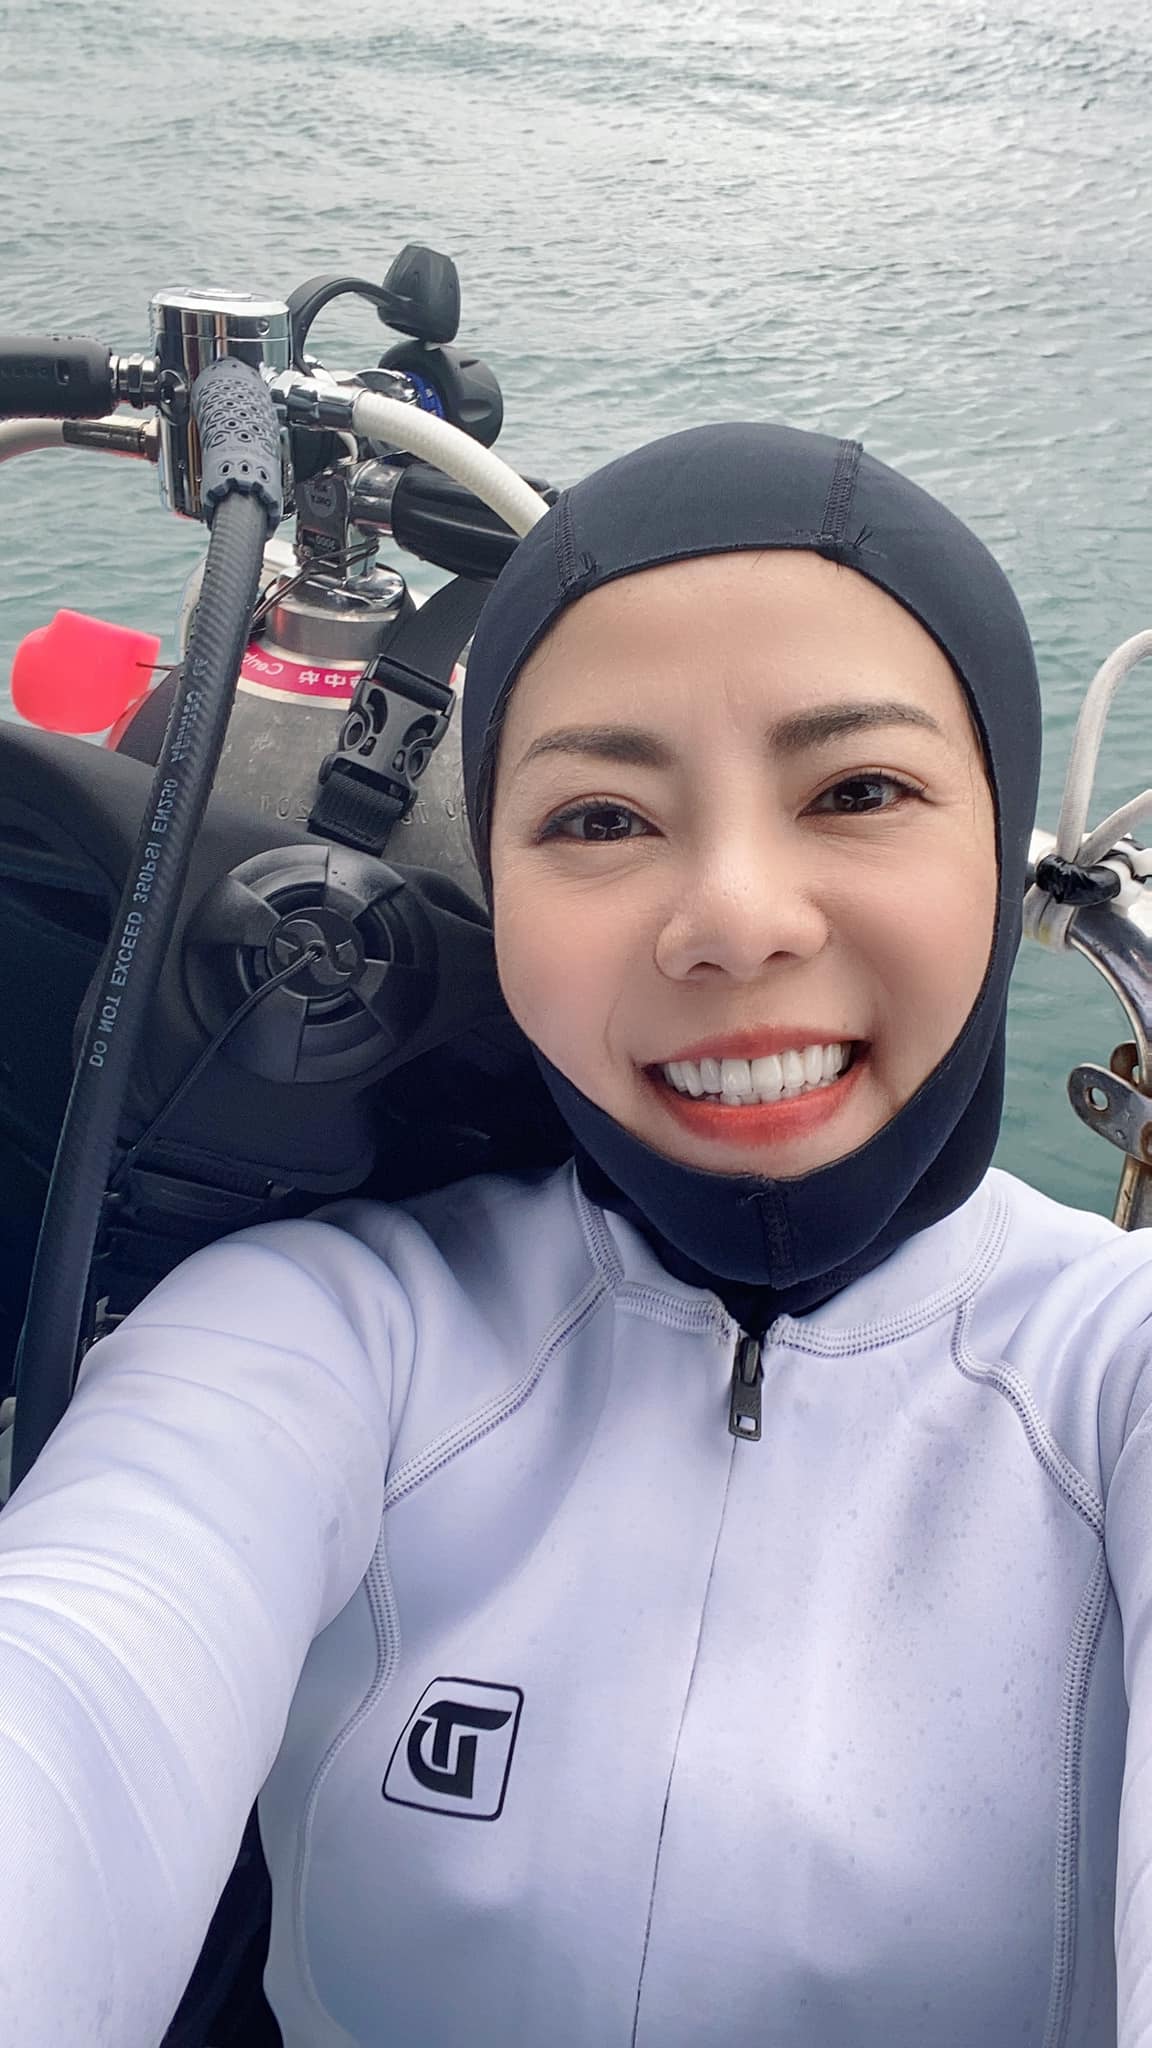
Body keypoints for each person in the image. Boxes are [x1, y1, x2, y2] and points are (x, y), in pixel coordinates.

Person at [0, 421, 1148, 2048]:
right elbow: (74, 1695)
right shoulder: (325, 1335)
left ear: (1000, 827)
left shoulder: (1115, 1381)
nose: (734, 919)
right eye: (601, 820)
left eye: (860, 790)